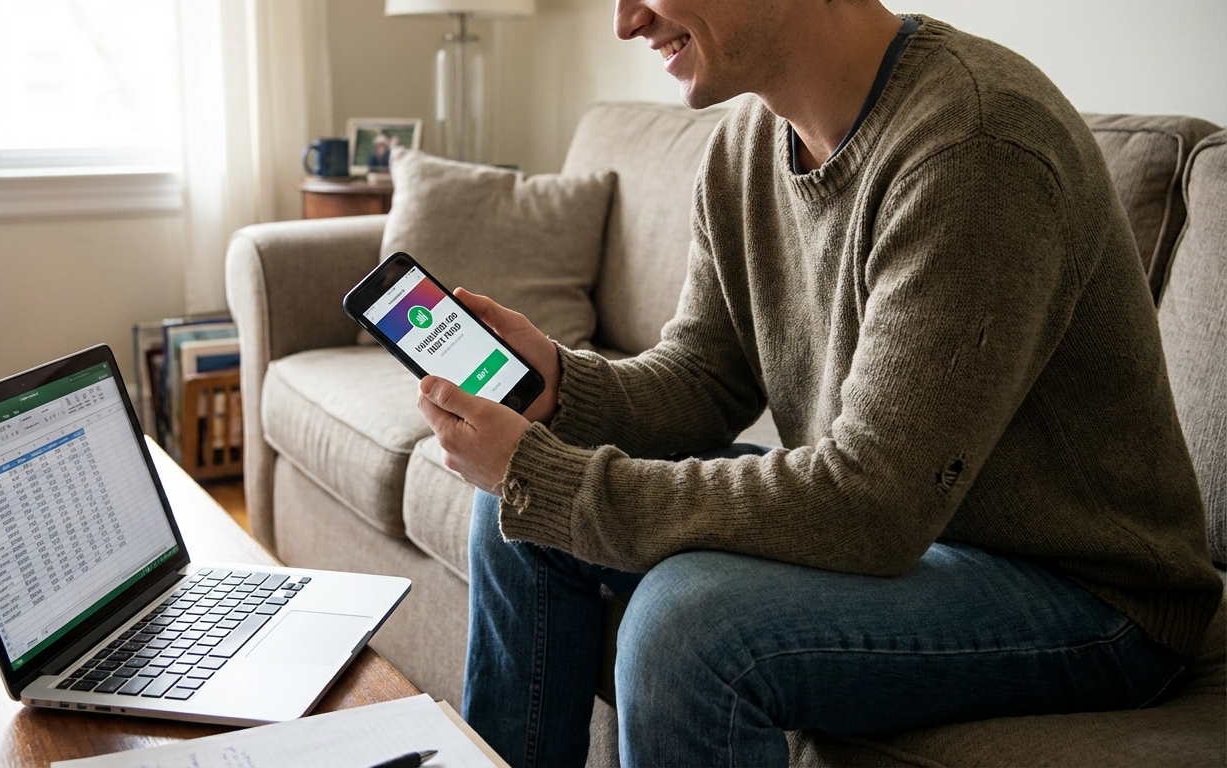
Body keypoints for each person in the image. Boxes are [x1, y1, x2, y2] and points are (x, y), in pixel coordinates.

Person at [414, 1, 1223, 766]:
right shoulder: (745, 144)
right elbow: (703, 378)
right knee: (515, 510)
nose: (626, 22)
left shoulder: (974, 147)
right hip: (916, 527)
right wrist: (562, 384)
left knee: (684, 622)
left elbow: (875, 504)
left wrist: (557, 481)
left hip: (1088, 596)